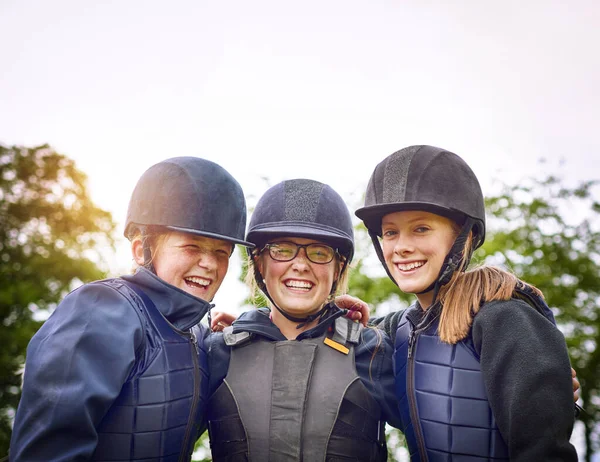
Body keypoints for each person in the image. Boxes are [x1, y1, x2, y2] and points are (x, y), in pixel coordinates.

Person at [10, 157, 253, 461]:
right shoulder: (103, 310)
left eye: (222, 252)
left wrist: (253, 330)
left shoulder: (198, 336)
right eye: (192, 247)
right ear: (141, 249)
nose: (209, 263)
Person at [355, 145, 578, 461]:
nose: (401, 247)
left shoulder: (505, 319)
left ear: (466, 235)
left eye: (420, 228)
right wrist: (337, 311)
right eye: (390, 232)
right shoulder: (399, 329)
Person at [205, 178, 401, 461]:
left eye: (319, 252)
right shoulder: (216, 352)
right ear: (259, 262)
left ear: (338, 268)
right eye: (282, 249)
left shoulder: (374, 351)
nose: (300, 264)